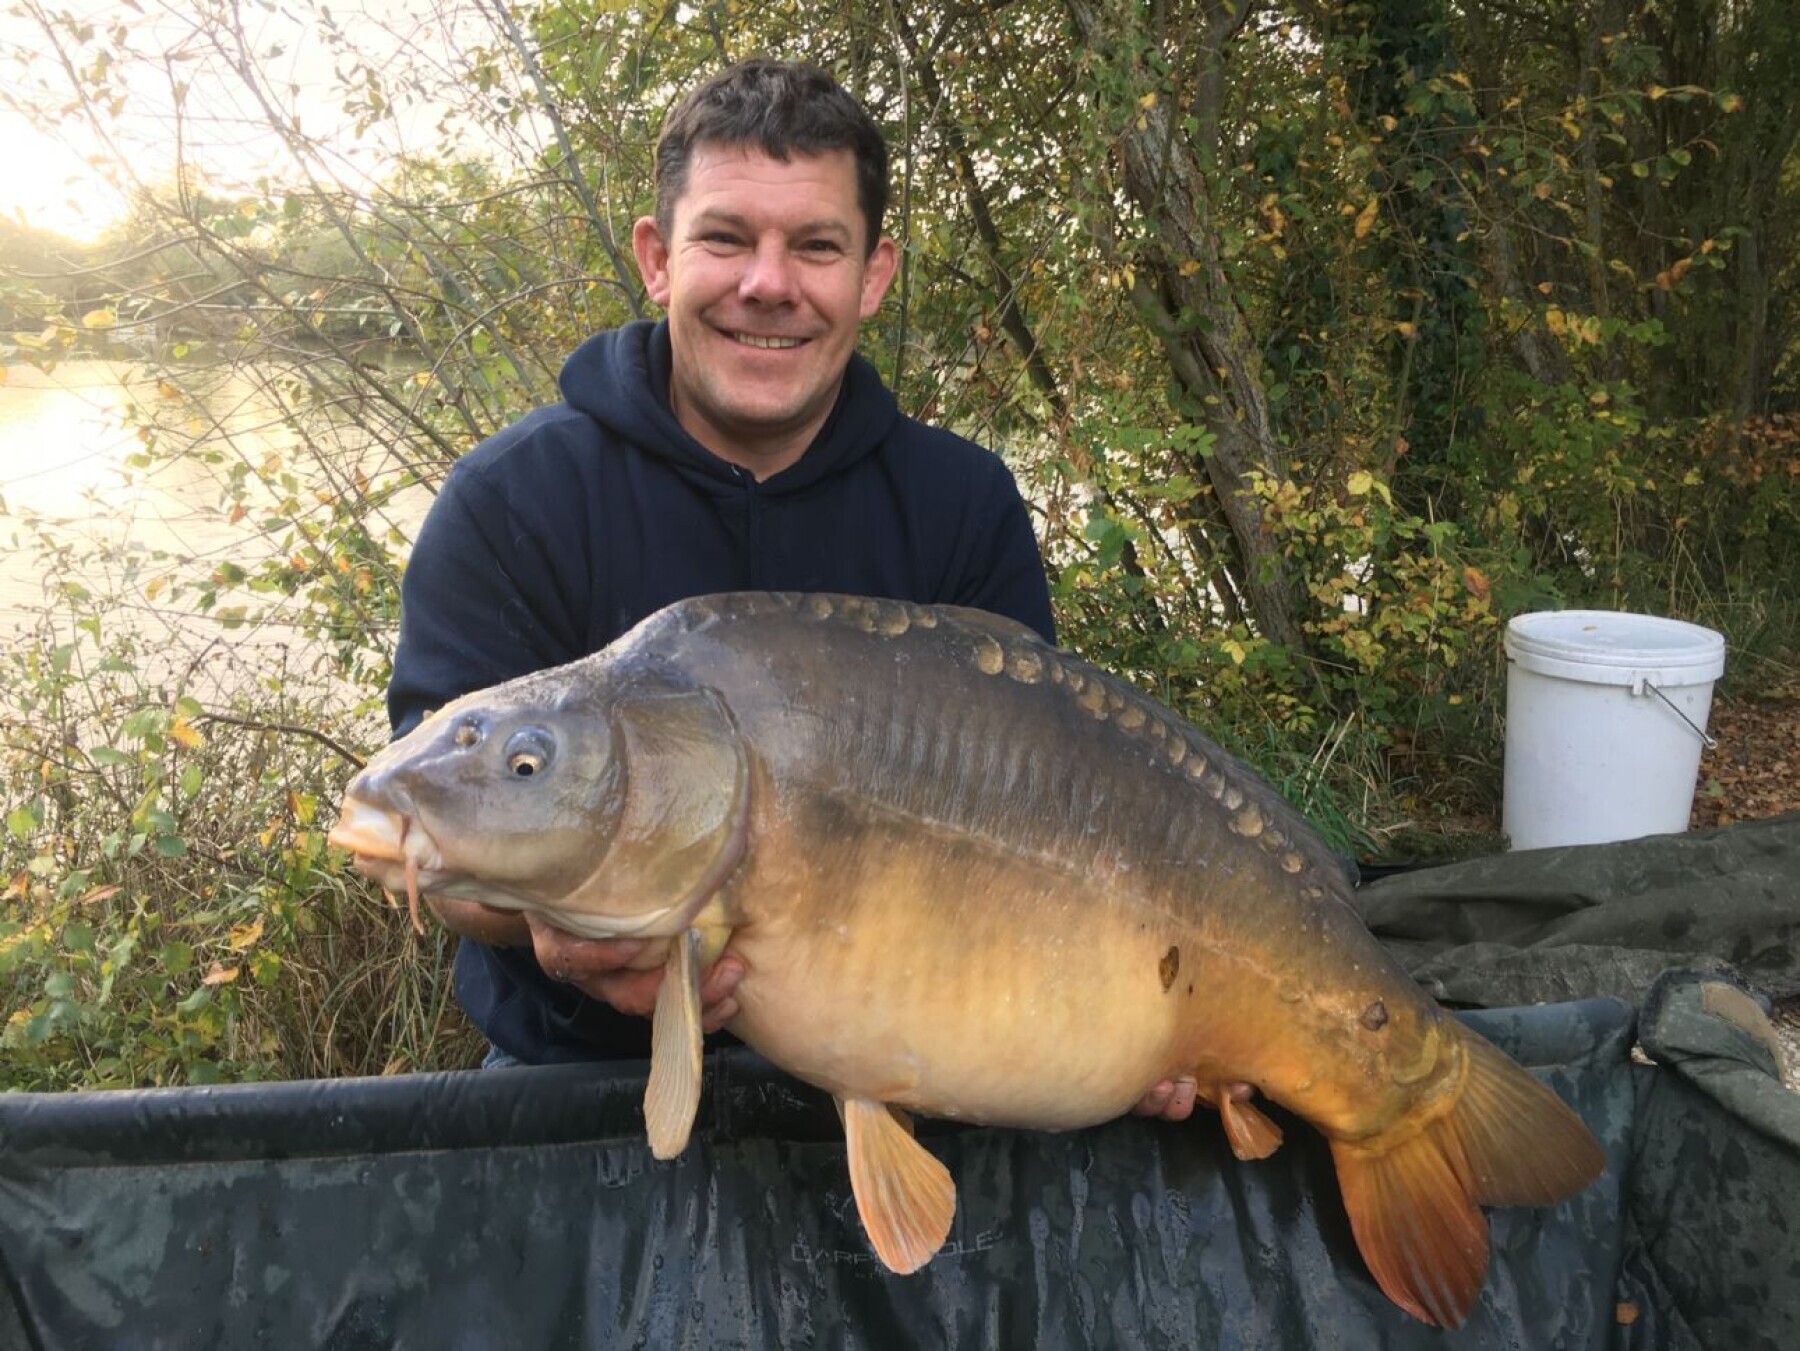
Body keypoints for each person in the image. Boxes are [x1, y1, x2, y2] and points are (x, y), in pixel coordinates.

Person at [386, 58, 1198, 1122]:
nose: (769, 284)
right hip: (575, 1080)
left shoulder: (961, 503)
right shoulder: (513, 499)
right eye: (726, 239)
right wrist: (546, 919)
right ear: (657, 259)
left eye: (816, 246)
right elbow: (430, 826)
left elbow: (1038, 822)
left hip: (907, 1061)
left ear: (872, 275)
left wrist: (1126, 1010)